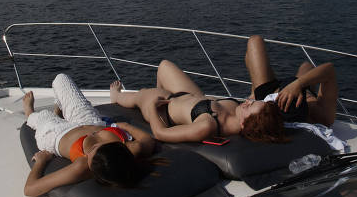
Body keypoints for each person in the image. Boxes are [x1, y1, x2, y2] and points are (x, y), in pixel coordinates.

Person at [23, 73, 156, 197]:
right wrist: (125, 126)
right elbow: (148, 140)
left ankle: (30, 113)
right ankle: (59, 110)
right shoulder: (132, 149)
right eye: (101, 146)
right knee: (61, 79)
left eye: (91, 152)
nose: (94, 145)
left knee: (42, 117)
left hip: (57, 134)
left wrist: (41, 162)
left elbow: (30, 189)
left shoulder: (81, 167)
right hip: (90, 120)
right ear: (118, 148)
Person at [110, 59, 288, 143]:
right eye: (252, 101)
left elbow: (160, 134)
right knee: (164, 66)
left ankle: (117, 96)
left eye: (250, 106)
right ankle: (155, 92)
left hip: (163, 110)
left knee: (139, 95)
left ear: (244, 124)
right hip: (191, 98)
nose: (248, 102)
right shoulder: (237, 112)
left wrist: (153, 109)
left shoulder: (207, 126)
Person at [244, 35, 339, 127]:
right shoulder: (322, 117)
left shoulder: (274, 110)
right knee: (307, 66)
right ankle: (300, 84)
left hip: (268, 93)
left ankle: (253, 92)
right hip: (298, 85)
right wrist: (298, 84)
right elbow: (329, 69)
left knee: (255, 41)